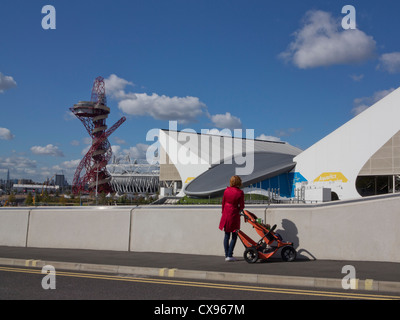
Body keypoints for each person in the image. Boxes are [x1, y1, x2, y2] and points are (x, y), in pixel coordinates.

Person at [219, 175, 244, 261]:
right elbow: (241, 206)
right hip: (234, 214)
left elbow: (223, 203)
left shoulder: (226, 190)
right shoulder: (240, 192)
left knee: (226, 235)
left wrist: (223, 212)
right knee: (234, 235)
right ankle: (230, 254)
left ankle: (227, 255)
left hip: (226, 213)